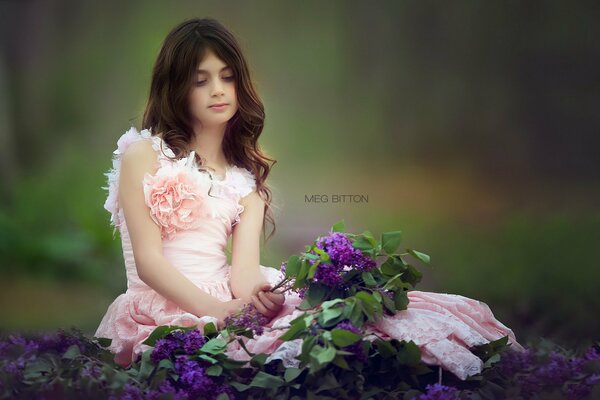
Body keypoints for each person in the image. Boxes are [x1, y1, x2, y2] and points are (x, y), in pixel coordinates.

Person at [95, 17, 523, 380]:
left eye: (227, 77)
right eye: (200, 80)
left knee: (348, 325)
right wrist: (218, 312)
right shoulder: (145, 155)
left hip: (225, 296)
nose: (217, 90)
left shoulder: (245, 182)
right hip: (164, 304)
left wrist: (259, 299)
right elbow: (150, 263)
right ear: (176, 88)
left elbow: (242, 274)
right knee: (255, 358)